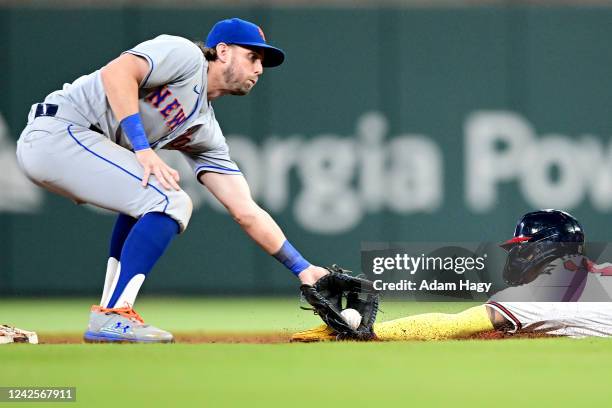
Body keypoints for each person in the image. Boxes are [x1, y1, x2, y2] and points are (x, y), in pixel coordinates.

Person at [16, 17, 333, 343]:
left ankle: (110, 314)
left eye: (262, 62)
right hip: (59, 131)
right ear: (222, 51)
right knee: (171, 199)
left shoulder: (204, 130)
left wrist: (303, 269)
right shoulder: (186, 56)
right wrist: (143, 148)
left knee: (148, 198)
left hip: (74, 145)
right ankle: (113, 316)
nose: (259, 69)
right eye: (252, 56)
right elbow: (118, 72)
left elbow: (245, 210)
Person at [293, 209, 612, 341]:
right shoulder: (590, 274)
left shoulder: (543, 292)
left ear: (543, 248)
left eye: (522, 247)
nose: (515, 254)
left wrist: (368, 331)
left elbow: (455, 323)